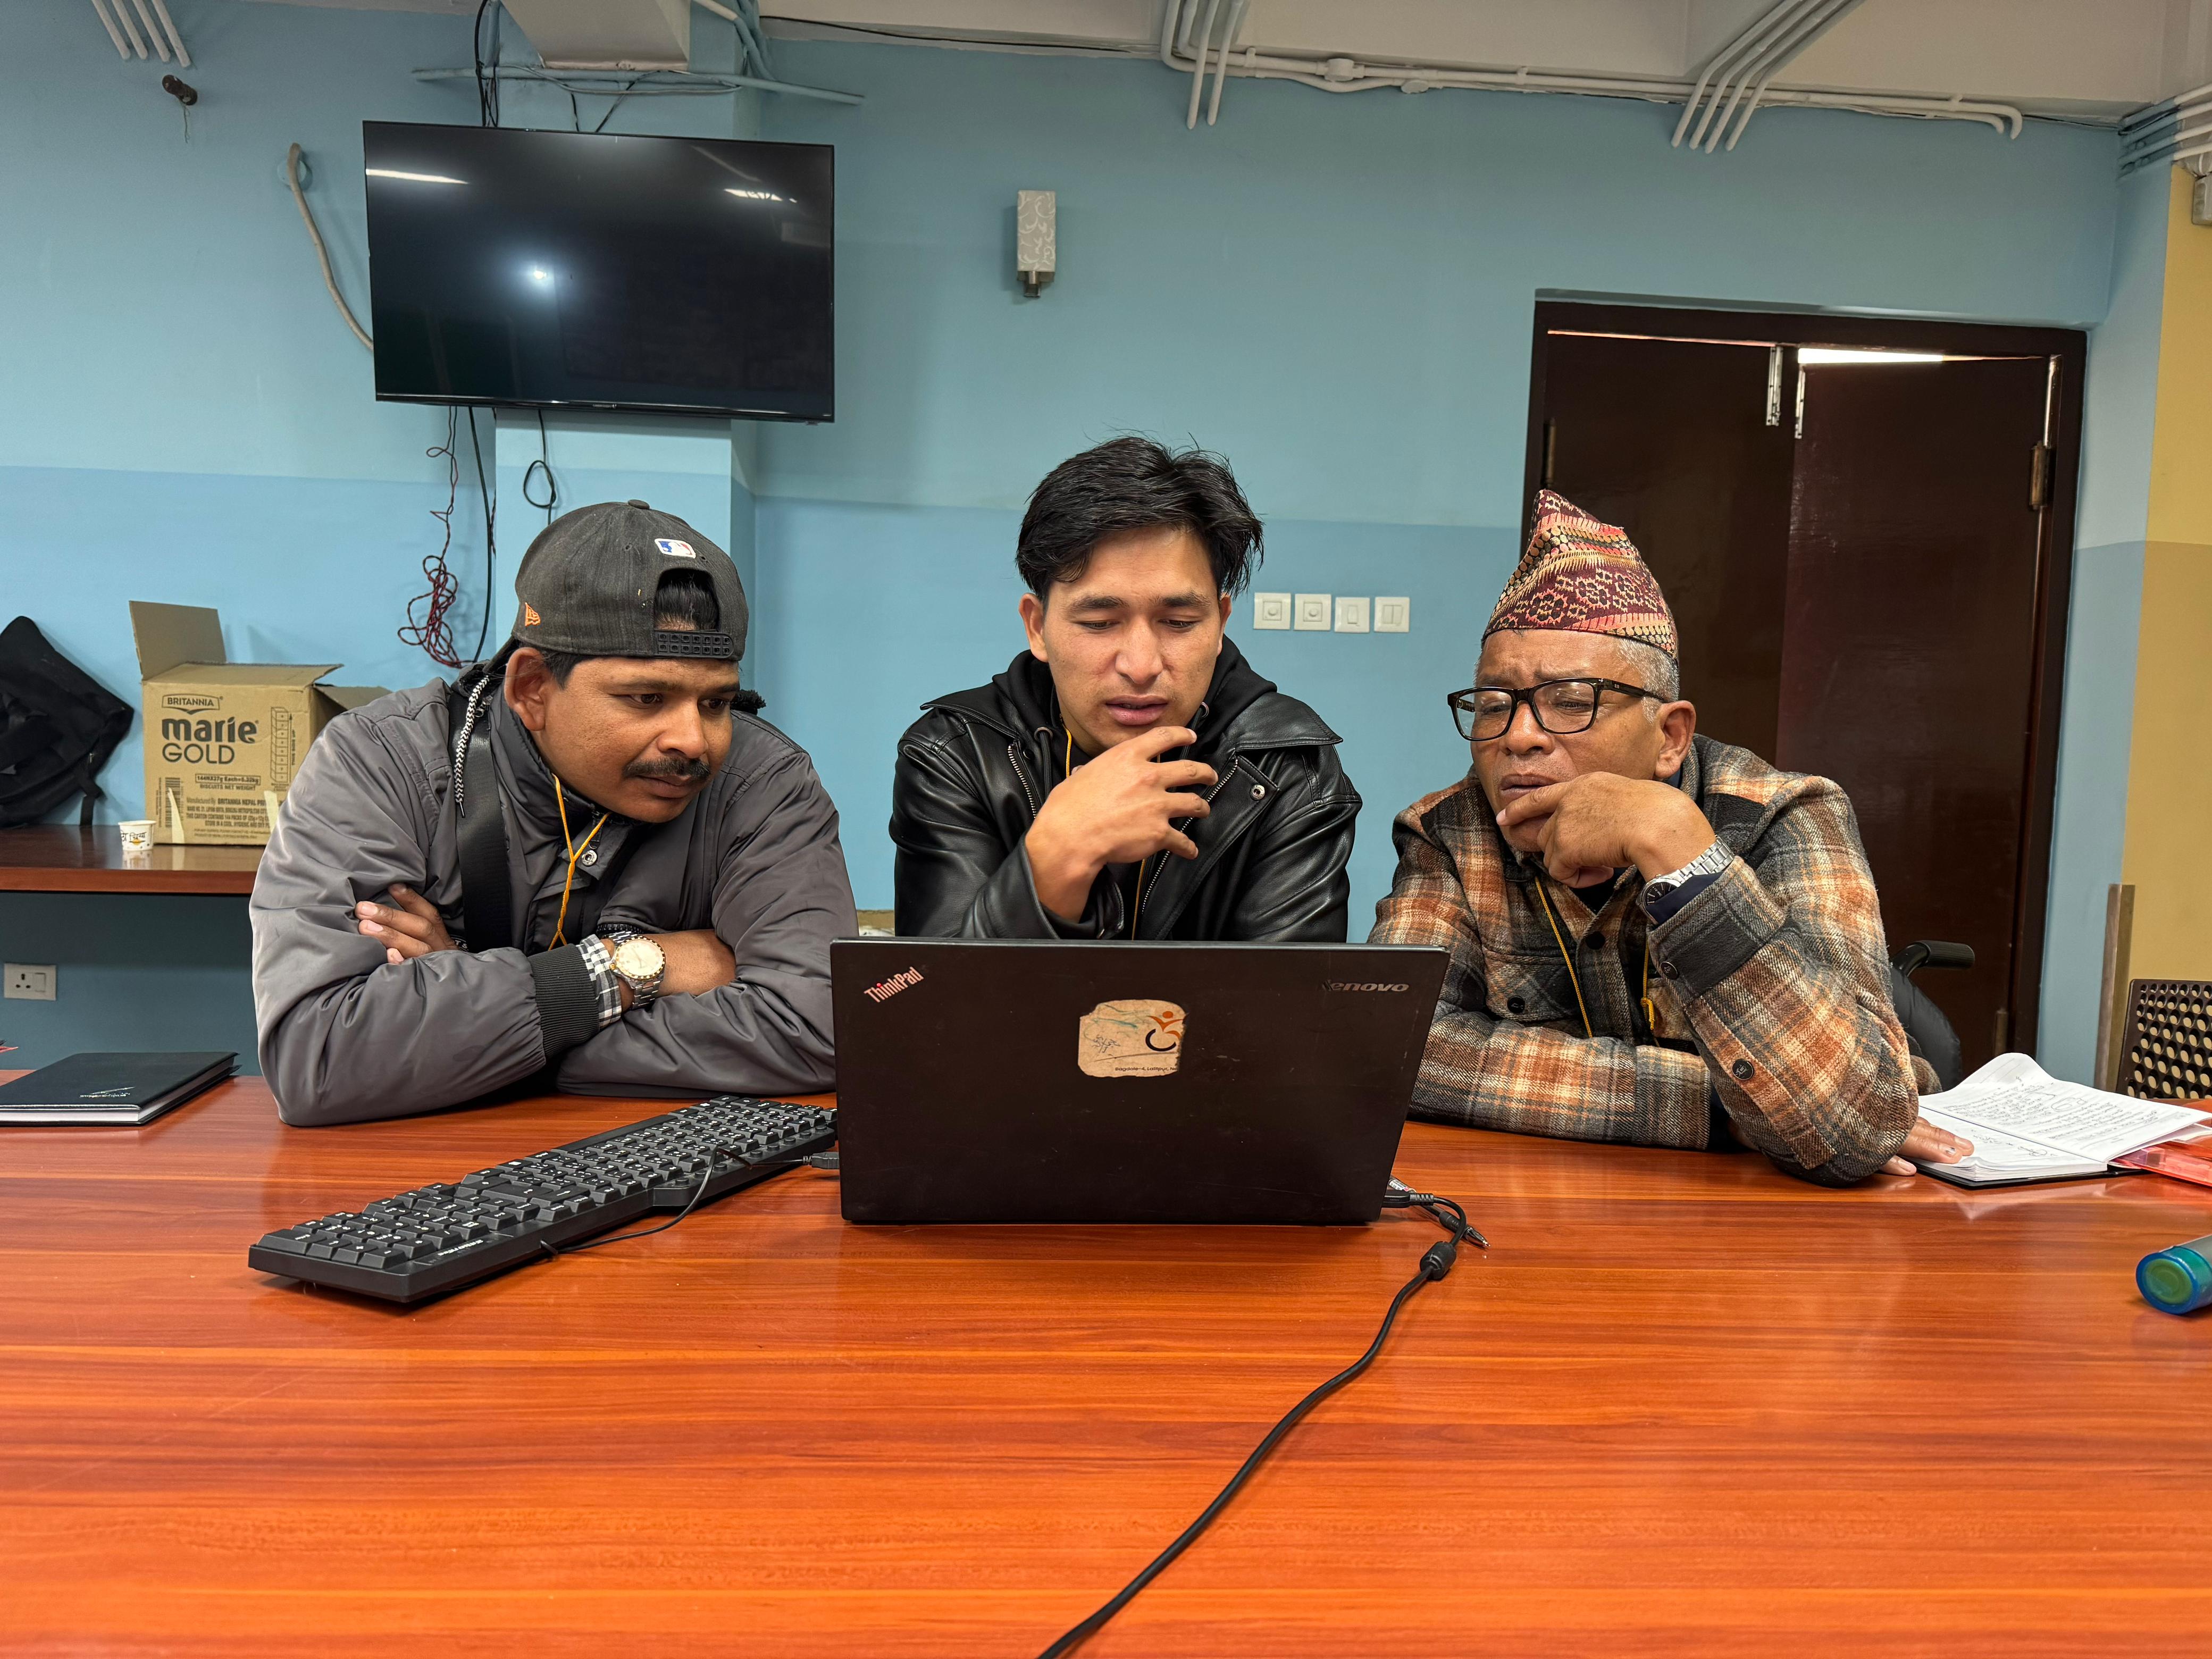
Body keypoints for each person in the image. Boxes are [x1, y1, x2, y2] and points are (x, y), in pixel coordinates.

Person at [1370, 490, 1971, 1185]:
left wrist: (1676, 847)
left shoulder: (1786, 815)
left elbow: (1860, 1122)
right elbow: (1394, 1051)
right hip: (1541, 1218)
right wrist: (1723, 1107)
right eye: (1494, 704)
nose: (1521, 736)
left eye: (1572, 701)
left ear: (1670, 737)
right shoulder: (1453, 831)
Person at [250, 500, 854, 1127]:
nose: (695, 742)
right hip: (415, 1189)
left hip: (667, 1167)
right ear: (531, 689)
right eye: (647, 698)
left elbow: (817, 1024)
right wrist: (634, 967)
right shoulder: (382, 761)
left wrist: (468, 1033)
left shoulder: (764, 781)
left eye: (716, 702)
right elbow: (317, 1057)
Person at [891, 437, 1360, 940]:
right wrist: (1058, 853)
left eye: (1178, 622)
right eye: (1099, 622)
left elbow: (1289, 1009)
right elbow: (929, 1003)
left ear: (1220, 622)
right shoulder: (958, 753)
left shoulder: (1285, 764)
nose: (1141, 666)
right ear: (1037, 627)